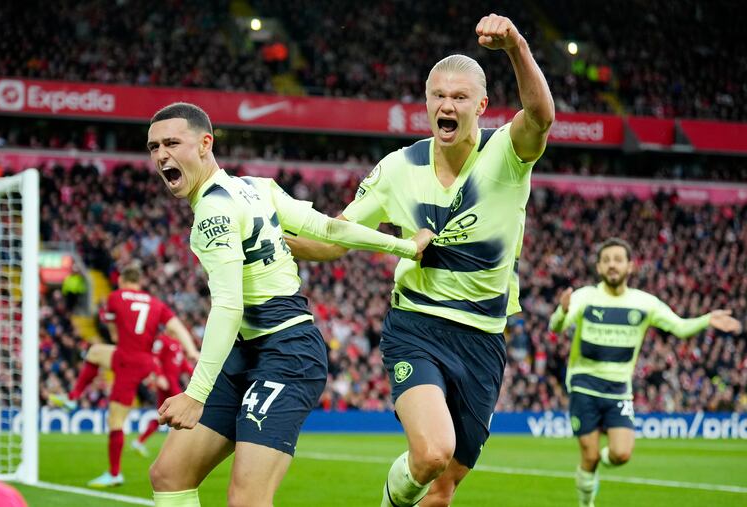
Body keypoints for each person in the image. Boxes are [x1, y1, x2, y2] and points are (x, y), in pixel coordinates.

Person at [286, 13, 555, 507]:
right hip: (417, 326)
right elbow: (336, 238)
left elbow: (540, 116)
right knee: (432, 453)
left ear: (482, 105)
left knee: (442, 488)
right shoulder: (397, 167)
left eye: (459, 97)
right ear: (427, 103)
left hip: (484, 338)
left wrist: (517, 45)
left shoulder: (508, 153)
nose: (447, 105)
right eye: (438, 96)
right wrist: (273, 237)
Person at [146, 101, 434, 507]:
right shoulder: (255, 187)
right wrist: (404, 245)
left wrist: (195, 393)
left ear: (205, 143)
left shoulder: (213, 212)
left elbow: (229, 306)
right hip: (249, 351)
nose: (161, 155)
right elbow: (330, 227)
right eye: (154, 147)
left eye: (172, 143)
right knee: (170, 473)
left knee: (247, 499)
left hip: (286, 353)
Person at [549, 237, 742, 507]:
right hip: (584, 386)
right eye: (606, 261)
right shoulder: (585, 297)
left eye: (618, 260)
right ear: (599, 267)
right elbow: (557, 327)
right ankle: (586, 504)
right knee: (589, 458)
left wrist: (707, 319)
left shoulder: (644, 303)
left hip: (619, 390)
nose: (612, 265)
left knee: (621, 454)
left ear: (630, 266)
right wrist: (561, 312)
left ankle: (597, 467)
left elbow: (679, 327)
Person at [50, 262, 199, 487]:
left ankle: (114, 473)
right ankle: (72, 399)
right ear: (139, 282)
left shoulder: (115, 297)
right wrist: (192, 351)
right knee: (95, 352)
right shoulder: (155, 303)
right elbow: (177, 327)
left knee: (115, 420)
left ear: (121, 280)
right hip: (142, 359)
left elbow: (113, 332)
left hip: (128, 360)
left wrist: (122, 336)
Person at [131, 334, 195, 456]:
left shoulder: (177, 344)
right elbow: (154, 358)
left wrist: (194, 374)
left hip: (173, 382)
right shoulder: (162, 340)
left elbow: (182, 364)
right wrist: (159, 375)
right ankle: (184, 447)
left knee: (163, 416)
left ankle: (139, 441)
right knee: (183, 410)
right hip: (167, 382)